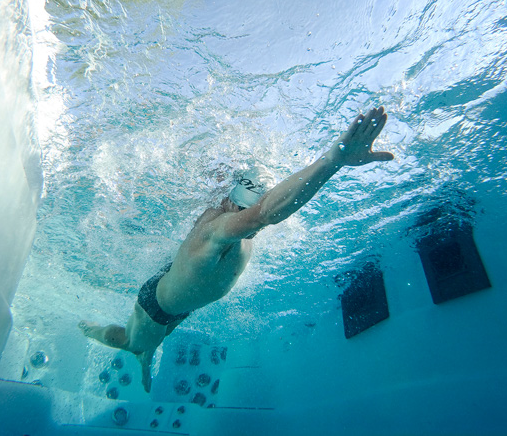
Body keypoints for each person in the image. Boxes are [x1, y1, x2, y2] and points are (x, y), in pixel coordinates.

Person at [79, 106, 394, 391]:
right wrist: (334, 160)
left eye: (260, 195)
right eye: (252, 198)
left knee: (162, 330)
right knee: (131, 342)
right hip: (159, 305)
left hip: (180, 296)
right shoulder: (221, 228)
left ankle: (148, 350)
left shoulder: (229, 222)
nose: (257, 203)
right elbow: (267, 213)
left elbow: (258, 208)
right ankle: (92, 331)